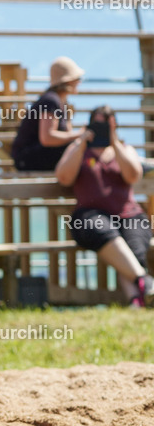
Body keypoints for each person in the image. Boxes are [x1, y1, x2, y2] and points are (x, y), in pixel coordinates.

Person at [56, 106, 151, 307]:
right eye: (98, 125)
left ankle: (136, 301)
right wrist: (81, 142)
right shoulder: (79, 150)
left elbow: (133, 176)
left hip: (129, 215)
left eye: (106, 125)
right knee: (106, 231)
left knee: (134, 250)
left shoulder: (125, 150)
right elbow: (64, 177)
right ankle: (146, 282)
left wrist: (114, 143)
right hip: (89, 217)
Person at [11, 57, 83, 171]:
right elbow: (47, 138)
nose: (80, 82)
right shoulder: (51, 101)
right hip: (27, 159)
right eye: (78, 78)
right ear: (69, 81)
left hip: (30, 157)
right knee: (78, 148)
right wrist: (79, 135)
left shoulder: (59, 102)